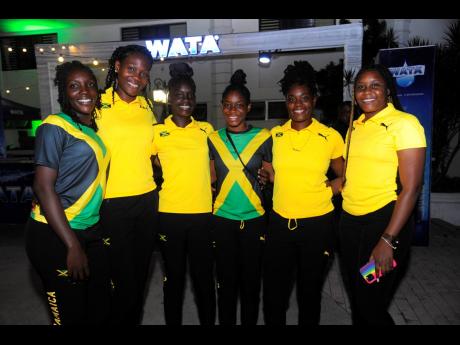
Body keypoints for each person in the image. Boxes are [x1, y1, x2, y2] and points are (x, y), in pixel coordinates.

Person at [339, 64, 426, 325]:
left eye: (375, 85)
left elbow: (412, 187)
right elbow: (350, 175)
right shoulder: (355, 127)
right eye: (361, 87)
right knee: (358, 297)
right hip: (350, 225)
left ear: (387, 90)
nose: (367, 92)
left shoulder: (405, 124)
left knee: (370, 299)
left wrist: (387, 240)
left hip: (384, 225)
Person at [25, 61, 111, 325]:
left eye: (89, 85)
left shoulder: (91, 131)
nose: (84, 91)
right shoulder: (54, 126)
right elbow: (42, 186)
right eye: (74, 86)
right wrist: (72, 244)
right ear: (63, 93)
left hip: (89, 230)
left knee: (96, 309)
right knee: (68, 315)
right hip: (56, 234)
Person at [262, 60, 344, 325]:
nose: (298, 105)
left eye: (304, 99)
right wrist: (271, 178)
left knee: (309, 294)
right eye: (291, 99)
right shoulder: (274, 135)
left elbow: (345, 175)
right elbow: (272, 173)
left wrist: (328, 191)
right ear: (286, 102)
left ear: (314, 100)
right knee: (275, 294)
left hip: (318, 225)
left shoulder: (330, 136)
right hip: (279, 224)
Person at [95, 44, 158, 324]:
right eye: (132, 68)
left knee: (140, 275)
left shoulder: (147, 107)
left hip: (147, 200)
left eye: (144, 73)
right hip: (112, 203)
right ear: (117, 67)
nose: (137, 77)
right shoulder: (96, 103)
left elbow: (156, 152)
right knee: (119, 279)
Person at [152, 62, 216, 325]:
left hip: (202, 214)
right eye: (179, 95)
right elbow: (148, 164)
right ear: (169, 99)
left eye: (190, 95)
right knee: (174, 279)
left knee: (204, 279)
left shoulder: (206, 130)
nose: (185, 100)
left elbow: (215, 169)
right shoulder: (156, 132)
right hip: (169, 215)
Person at [208, 69, 272, 325]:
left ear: (248, 108)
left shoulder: (264, 137)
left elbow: (273, 175)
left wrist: (268, 179)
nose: (232, 110)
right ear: (222, 107)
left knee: (250, 285)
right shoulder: (213, 139)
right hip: (222, 220)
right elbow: (210, 177)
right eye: (227, 106)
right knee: (225, 285)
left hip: (255, 220)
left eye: (238, 106)